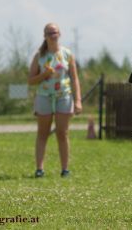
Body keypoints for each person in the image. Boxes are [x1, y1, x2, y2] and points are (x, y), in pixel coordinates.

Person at [28, 23, 82, 178]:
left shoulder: (67, 54)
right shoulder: (39, 56)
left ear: (60, 34)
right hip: (44, 96)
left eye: (55, 32)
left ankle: (65, 169)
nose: (53, 34)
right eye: (49, 32)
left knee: (62, 133)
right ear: (44, 36)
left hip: (63, 96)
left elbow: (74, 78)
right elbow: (30, 80)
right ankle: (40, 169)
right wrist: (44, 75)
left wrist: (77, 100)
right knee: (42, 133)